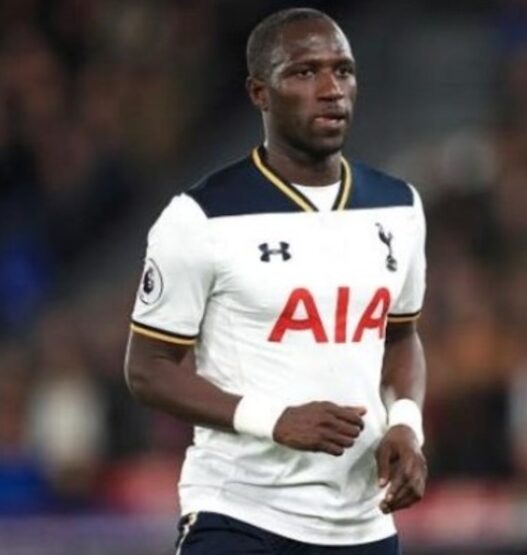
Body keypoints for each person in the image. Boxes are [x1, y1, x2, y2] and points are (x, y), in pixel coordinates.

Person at [124, 7, 427, 554]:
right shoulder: (200, 218)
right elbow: (147, 369)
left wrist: (406, 423)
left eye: (343, 70)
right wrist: (273, 420)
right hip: (241, 514)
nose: (331, 90)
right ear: (259, 93)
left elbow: (401, 337)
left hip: (363, 522)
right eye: (304, 72)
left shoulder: (399, 206)